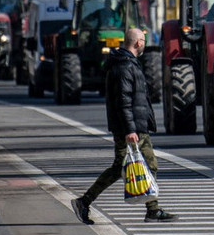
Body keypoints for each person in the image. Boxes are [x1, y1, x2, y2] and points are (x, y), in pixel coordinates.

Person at [71, 27, 177, 224]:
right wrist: (130, 129)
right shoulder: (125, 67)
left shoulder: (127, 64)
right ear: (137, 43)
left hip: (134, 125)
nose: (144, 44)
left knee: (124, 166)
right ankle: (85, 202)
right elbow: (124, 101)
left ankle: (150, 209)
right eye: (143, 40)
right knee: (147, 165)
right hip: (131, 127)